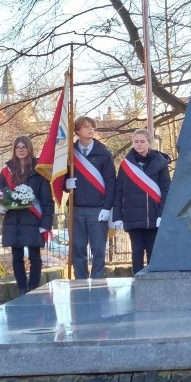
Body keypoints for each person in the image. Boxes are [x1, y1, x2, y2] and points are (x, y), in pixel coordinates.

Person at [0, 137, 54, 295]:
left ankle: (33, 288)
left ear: (30, 149)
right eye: (18, 147)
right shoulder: (6, 171)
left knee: (35, 256)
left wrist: (46, 223)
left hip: (33, 219)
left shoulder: (39, 171)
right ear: (14, 150)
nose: (21, 150)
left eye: (24, 147)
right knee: (17, 257)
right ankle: (22, 289)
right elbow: (0, 193)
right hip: (13, 220)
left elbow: (46, 200)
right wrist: (2, 205)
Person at [113, 129, 172, 274]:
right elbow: (118, 190)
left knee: (153, 251)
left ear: (149, 143)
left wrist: (162, 214)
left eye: (142, 142)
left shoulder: (160, 164)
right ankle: (137, 282)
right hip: (133, 216)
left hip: (153, 216)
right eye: (136, 142)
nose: (139, 145)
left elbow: (166, 190)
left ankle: (152, 283)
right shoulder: (126, 165)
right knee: (137, 251)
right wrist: (117, 216)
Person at [64, 116, 115, 280]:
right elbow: (59, 178)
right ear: (77, 131)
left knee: (98, 249)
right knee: (78, 248)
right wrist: (66, 184)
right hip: (76, 208)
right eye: (86, 127)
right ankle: (80, 281)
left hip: (98, 209)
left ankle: (98, 280)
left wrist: (107, 207)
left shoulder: (103, 153)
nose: (91, 129)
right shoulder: (69, 153)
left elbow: (110, 182)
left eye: (92, 126)